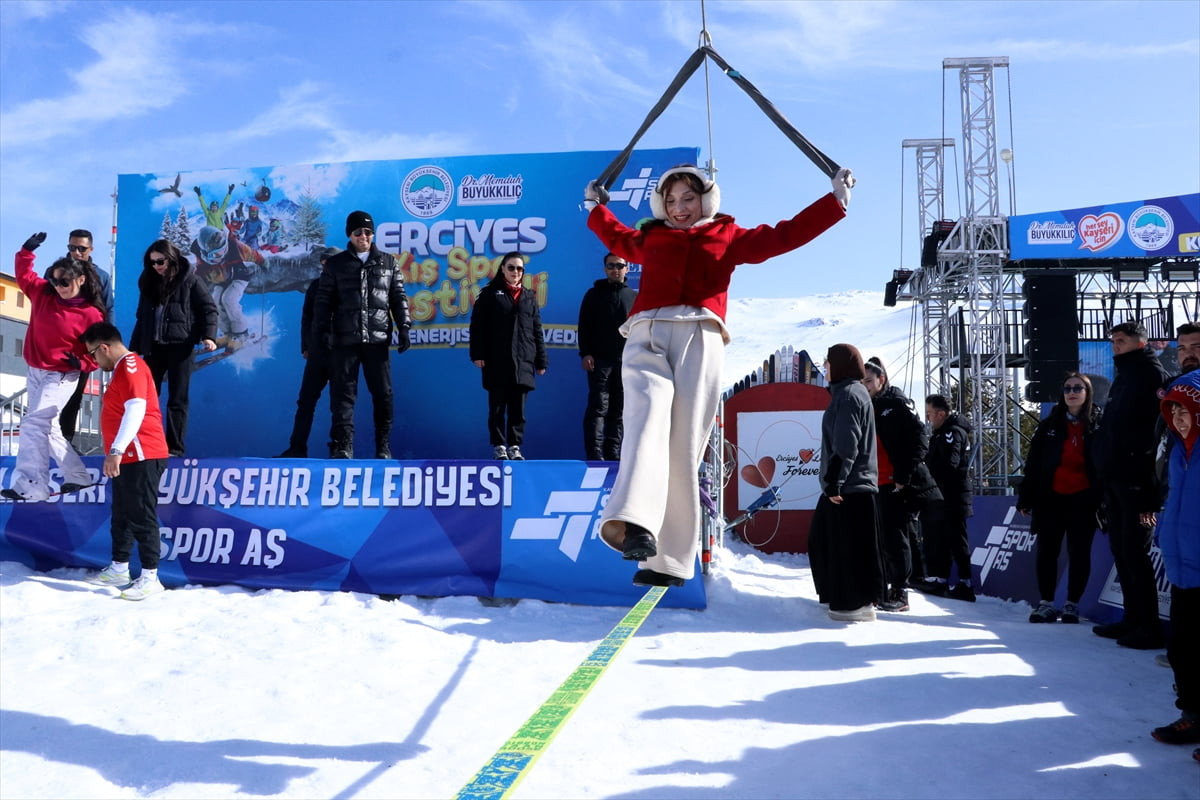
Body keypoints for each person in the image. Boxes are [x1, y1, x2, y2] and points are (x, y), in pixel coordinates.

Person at [582, 163, 852, 587]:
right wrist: (595, 207)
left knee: (684, 444)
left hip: (700, 334)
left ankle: (668, 562)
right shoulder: (652, 236)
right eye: (671, 200)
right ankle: (633, 523)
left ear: (706, 200)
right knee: (646, 419)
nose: (679, 208)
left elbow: (783, 236)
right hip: (647, 332)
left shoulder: (727, 235)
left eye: (688, 198)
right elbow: (616, 236)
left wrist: (834, 202)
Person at [1, 234, 105, 502]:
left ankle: (32, 484)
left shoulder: (91, 314)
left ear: (80, 280)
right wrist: (27, 250)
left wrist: (83, 363)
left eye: (64, 282)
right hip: (36, 370)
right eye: (55, 281)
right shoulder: (43, 294)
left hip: (61, 375)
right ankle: (78, 476)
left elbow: (101, 350)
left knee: (33, 423)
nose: (59, 287)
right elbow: (24, 275)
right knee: (49, 429)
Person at [1090, 320, 1169, 649]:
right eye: (1113, 341)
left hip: (1139, 484)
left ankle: (1149, 626)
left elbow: (1154, 432)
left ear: (1140, 343)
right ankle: (1132, 619)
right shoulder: (1124, 375)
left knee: (1136, 552)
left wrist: (1141, 474)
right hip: (1116, 478)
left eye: (1121, 340)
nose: (1115, 346)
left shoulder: (1151, 374)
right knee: (1121, 550)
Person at [80, 322, 170, 601]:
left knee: (141, 515)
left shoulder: (131, 366)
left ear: (104, 348)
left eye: (93, 354)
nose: (94, 361)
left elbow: (136, 409)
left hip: (142, 454)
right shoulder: (121, 369)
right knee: (122, 514)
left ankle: (151, 577)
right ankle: (119, 568)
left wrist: (117, 450)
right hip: (128, 457)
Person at [313, 211, 411, 459]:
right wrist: (323, 332)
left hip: (377, 341)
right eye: (358, 232)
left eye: (368, 232)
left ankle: (383, 446)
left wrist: (404, 327)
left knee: (383, 394)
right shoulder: (336, 264)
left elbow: (398, 297)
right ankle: (343, 445)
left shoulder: (388, 262)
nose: (363, 236)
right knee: (343, 395)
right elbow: (323, 302)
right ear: (350, 235)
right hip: (345, 341)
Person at [808, 344, 886, 621]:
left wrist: (834, 482)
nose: (824, 368)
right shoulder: (846, 393)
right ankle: (840, 596)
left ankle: (854, 605)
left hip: (850, 488)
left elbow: (846, 444)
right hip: (847, 485)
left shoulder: (850, 395)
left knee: (847, 548)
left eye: (828, 363)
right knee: (822, 541)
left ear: (840, 365)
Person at [1016, 373, 1102, 623]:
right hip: (1050, 498)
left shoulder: (1098, 424)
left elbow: (1106, 463)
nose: (1071, 393)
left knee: (1079, 553)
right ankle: (1046, 603)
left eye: (1077, 388)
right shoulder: (1049, 424)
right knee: (1047, 552)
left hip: (1084, 500)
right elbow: (1033, 463)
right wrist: (1026, 496)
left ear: (1087, 393)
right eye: (1067, 389)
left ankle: (1072, 604)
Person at [1147, 369, 1200, 753]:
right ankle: (1194, 715)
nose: (1179, 419)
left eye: (1186, 411)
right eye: (1174, 412)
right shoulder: (1180, 452)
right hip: (1183, 567)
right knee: (1183, 649)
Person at [862, 357, 941, 612]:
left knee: (897, 537)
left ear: (881, 380)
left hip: (896, 483)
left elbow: (921, 438)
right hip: (875, 482)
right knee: (883, 539)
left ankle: (901, 591)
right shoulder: (866, 406)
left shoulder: (896, 402)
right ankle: (886, 588)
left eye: (869, 381)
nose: (865, 386)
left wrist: (903, 476)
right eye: (861, 381)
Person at [130, 240, 218, 457]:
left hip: (181, 347)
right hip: (154, 348)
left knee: (178, 399)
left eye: (160, 261)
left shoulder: (191, 281)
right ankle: (147, 444)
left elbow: (209, 309)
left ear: (171, 259)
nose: (156, 266)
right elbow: (142, 317)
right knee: (146, 398)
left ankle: (175, 449)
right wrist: (134, 349)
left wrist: (208, 336)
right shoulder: (149, 283)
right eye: (152, 263)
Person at [469, 252, 548, 460]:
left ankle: (514, 445)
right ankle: (499, 446)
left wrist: (541, 360)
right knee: (497, 407)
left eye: (519, 268)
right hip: (497, 360)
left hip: (523, 361)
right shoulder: (489, 294)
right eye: (511, 267)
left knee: (518, 409)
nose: (515, 272)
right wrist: (477, 354)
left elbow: (536, 330)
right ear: (502, 269)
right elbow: (477, 327)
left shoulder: (529, 297)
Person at [277, 247, 341, 458]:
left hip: (341, 354)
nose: (325, 265)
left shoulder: (350, 286)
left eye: (330, 261)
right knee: (305, 402)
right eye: (323, 261)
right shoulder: (315, 286)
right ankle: (297, 448)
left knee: (339, 404)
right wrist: (306, 346)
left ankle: (339, 449)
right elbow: (307, 318)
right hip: (317, 353)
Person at [56, 228, 114, 446]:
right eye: (72, 247)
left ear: (91, 249)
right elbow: (43, 301)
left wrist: (106, 340)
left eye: (82, 248)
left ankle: (66, 443)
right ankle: (47, 443)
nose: (77, 252)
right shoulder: (57, 272)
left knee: (75, 395)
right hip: (56, 342)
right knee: (48, 396)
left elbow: (108, 308)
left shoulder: (101, 276)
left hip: (84, 346)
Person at [577, 252, 636, 460]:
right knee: (598, 407)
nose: (615, 270)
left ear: (626, 268)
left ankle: (613, 454)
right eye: (611, 266)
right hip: (599, 361)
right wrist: (585, 353)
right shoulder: (593, 294)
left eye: (619, 266)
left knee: (618, 410)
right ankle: (594, 453)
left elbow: (640, 331)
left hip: (625, 362)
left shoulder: (633, 297)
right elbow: (584, 326)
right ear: (605, 269)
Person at [918, 394, 976, 601]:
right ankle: (941, 579)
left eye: (930, 413)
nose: (928, 418)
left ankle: (965, 583)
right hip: (943, 495)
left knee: (957, 540)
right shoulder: (940, 433)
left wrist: (932, 478)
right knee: (942, 538)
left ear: (941, 414)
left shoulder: (952, 432)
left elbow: (951, 463)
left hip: (954, 494)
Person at [190, 224, 263, 349]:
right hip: (221, 280)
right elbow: (200, 271)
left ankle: (241, 334)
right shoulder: (201, 256)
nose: (222, 255)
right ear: (205, 253)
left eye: (223, 249)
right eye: (217, 254)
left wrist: (262, 262)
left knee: (229, 299)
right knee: (215, 303)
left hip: (239, 276)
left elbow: (251, 253)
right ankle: (228, 333)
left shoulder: (235, 246)